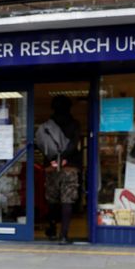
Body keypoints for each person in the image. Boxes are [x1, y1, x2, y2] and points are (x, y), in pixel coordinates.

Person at [38, 95, 81, 244]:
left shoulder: (47, 125)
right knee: (67, 200)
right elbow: (74, 145)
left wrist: (53, 160)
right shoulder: (74, 124)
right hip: (69, 166)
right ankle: (64, 235)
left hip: (51, 167)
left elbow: (42, 146)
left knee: (52, 199)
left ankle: (51, 229)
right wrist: (63, 158)